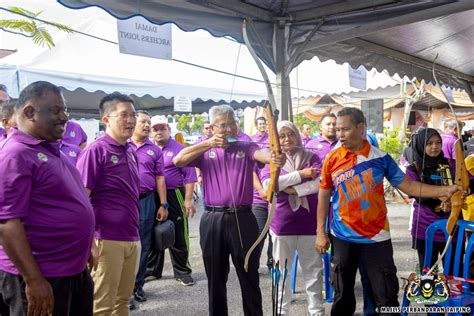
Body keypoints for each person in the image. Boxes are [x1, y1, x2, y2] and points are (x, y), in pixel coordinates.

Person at [315, 107, 462, 315]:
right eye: (338, 130)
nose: (340, 134)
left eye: (345, 129)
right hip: (342, 236)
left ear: (361, 127)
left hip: (377, 238)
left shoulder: (381, 158)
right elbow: (323, 195)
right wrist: (320, 232)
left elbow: (409, 186)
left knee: (386, 296)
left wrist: (444, 190)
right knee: (342, 296)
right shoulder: (332, 158)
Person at [173, 104, 286, 316]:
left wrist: (275, 157)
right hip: (212, 218)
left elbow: (264, 154)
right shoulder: (204, 148)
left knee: (249, 274)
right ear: (212, 126)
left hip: (243, 218)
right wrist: (208, 143)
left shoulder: (245, 145)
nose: (229, 128)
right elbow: (178, 160)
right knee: (215, 278)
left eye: (232, 123)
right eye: (223, 125)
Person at [0, 81, 95, 315]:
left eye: (65, 110)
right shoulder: (16, 154)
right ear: (29, 113)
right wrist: (34, 280)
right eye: (56, 110)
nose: (65, 117)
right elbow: (7, 223)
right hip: (42, 275)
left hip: (70, 270)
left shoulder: (48, 149)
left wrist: (83, 247)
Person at [76, 92, 141, 315]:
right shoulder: (96, 150)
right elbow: (81, 198)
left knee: (123, 301)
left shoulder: (130, 150)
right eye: (124, 115)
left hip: (131, 237)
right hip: (105, 239)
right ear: (106, 120)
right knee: (102, 305)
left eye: (133, 115)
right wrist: (89, 239)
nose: (131, 120)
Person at [264, 121, 323, 315]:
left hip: (309, 224)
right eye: (282, 136)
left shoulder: (311, 156)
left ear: (298, 136)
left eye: (291, 134)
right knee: (281, 273)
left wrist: (291, 189)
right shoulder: (272, 160)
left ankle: (317, 312)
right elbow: (269, 186)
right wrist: (301, 174)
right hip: (281, 225)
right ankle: (281, 312)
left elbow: (319, 184)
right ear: (276, 140)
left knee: (313, 272)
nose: (287, 139)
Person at [146, 115, 197, 286]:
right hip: (152, 195)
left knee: (178, 233)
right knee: (153, 232)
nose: (159, 132)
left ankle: (182, 271)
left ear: (168, 129)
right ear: (151, 131)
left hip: (174, 194)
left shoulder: (179, 148)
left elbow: (190, 176)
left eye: (162, 128)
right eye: (155, 129)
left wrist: (188, 199)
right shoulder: (148, 148)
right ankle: (152, 270)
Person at [403, 128, 462, 273]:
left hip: (452, 225)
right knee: (428, 273)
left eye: (437, 143)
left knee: (454, 272)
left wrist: (464, 191)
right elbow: (417, 194)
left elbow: (468, 182)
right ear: (420, 145)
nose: (434, 147)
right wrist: (439, 201)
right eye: (429, 143)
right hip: (425, 227)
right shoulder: (413, 168)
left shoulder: (453, 164)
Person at [129, 111, 168, 304]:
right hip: (124, 202)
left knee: (143, 245)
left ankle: (137, 285)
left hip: (146, 201)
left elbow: (160, 178)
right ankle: (124, 289)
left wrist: (163, 204)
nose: (146, 125)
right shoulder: (122, 146)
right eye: (143, 121)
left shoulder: (154, 150)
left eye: (148, 122)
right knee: (124, 243)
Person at [250, 116, 272, 270]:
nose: (263, 126)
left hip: (276, 200)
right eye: (260, 124)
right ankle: (252, 265)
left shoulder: (272, 141)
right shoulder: (252, 142)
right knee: (258, 234)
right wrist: (261, 191)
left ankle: (272, 264)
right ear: (256, 125)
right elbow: (251, 171)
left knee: (275, 235)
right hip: (259, 199)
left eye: (265, 123)